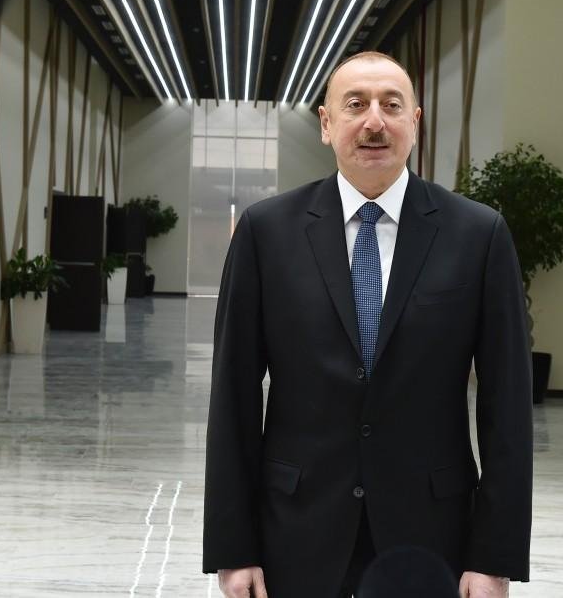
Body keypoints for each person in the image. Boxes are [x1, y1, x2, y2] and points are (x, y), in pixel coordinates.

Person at [203, 51, 533, 598]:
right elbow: (232, 398)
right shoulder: (267, 233)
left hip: (431, 534)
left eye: (391, 105)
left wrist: (493, 558)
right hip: (296, 529)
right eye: (355, 105)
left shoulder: (478, 235)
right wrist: (233, 548)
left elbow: (509, 410)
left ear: (414, 123)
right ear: (326, 124)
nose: (374, 121)